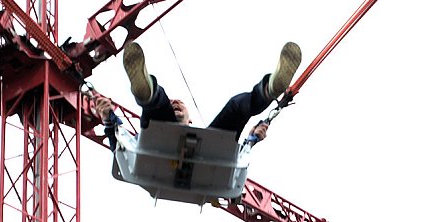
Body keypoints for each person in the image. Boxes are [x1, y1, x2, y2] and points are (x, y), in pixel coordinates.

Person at [93, 41, 301, 150]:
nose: (175, 103)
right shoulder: (147, 138)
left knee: (236, 106)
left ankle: (270, 88)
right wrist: (108, 120)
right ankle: (146, 92)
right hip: (163, 146)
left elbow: (120, 151)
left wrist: (252, 138)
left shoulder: (205, 141)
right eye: (174, 104)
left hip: (196, 152)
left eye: (179, 105)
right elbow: (121, 150)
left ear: (190, 120)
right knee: (158, 110)